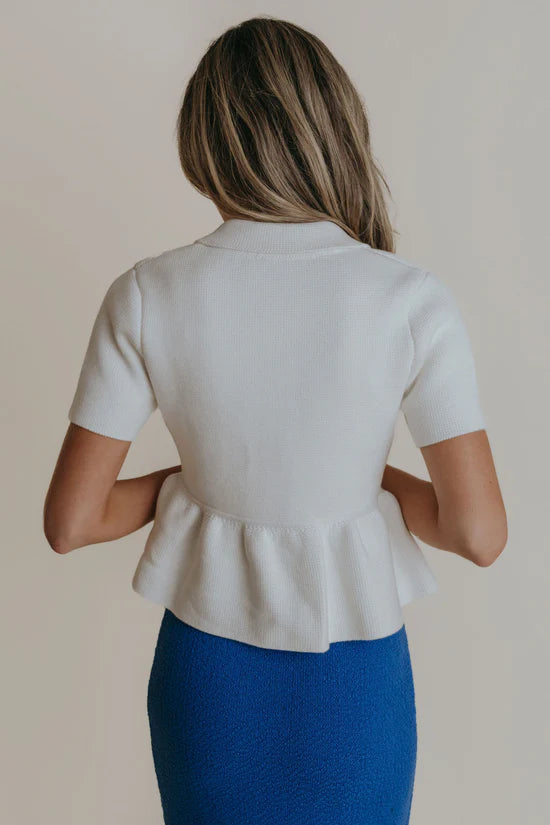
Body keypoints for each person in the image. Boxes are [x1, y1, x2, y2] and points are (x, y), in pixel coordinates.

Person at [43, 15, 507, 825]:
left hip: (207, 687)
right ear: (333, 126)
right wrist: (362, 476)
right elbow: (478, 532)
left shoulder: (146, 294)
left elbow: (72, 521)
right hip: (355, 689)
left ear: (205, 141)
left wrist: (194, 479)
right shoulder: (409, 299)